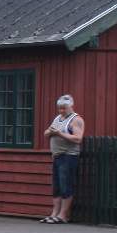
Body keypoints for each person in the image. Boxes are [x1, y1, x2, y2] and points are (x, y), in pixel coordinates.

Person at [41, 95, 85, 223]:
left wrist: (59, 133)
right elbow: (46, 133)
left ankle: (63, 215)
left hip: (69, 156)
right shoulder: (57, 118)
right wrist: (50, 133)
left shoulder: (76, 120)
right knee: (57, 186)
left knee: (66, 185)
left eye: (63, 108)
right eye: (59, 108)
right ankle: (54, 213)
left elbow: (78, 138)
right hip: (57, 156)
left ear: (70, 106)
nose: (61, 111)